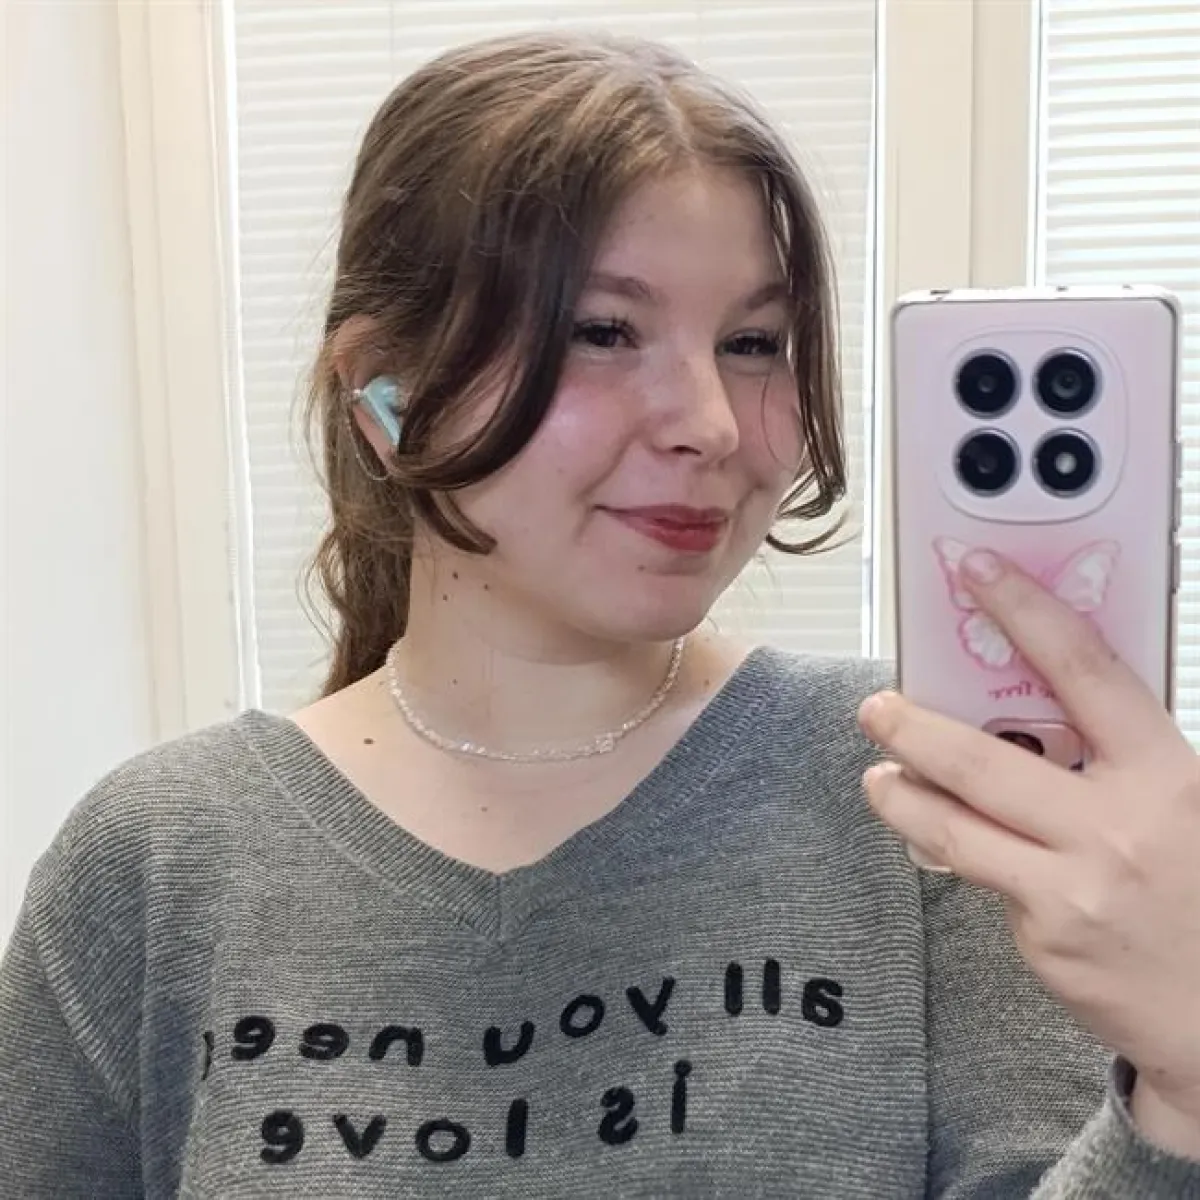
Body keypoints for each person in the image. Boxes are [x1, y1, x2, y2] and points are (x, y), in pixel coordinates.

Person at [1, 30, 1198, 1200]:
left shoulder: (926, 793)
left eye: (753, 342)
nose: (709, 426)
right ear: (385, 393)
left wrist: (1185, 1095)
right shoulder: (157, 864)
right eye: (603, 332)